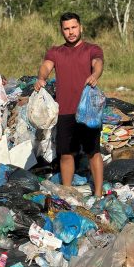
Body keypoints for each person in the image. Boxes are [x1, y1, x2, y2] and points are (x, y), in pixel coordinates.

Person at [34, 12, 104, 197]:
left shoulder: (92, 49)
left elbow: (97, 63)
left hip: (88, 111)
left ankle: (98, 194)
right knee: (66, 154)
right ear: (62, 30)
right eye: (67, 29)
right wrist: (41, 78)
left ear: (81, 27)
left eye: (74, 27)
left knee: (93, 152)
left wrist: (95, 75)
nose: (71, 32)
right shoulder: (55, 52)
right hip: (64, 110)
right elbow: (46, 66)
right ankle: (67, 193)